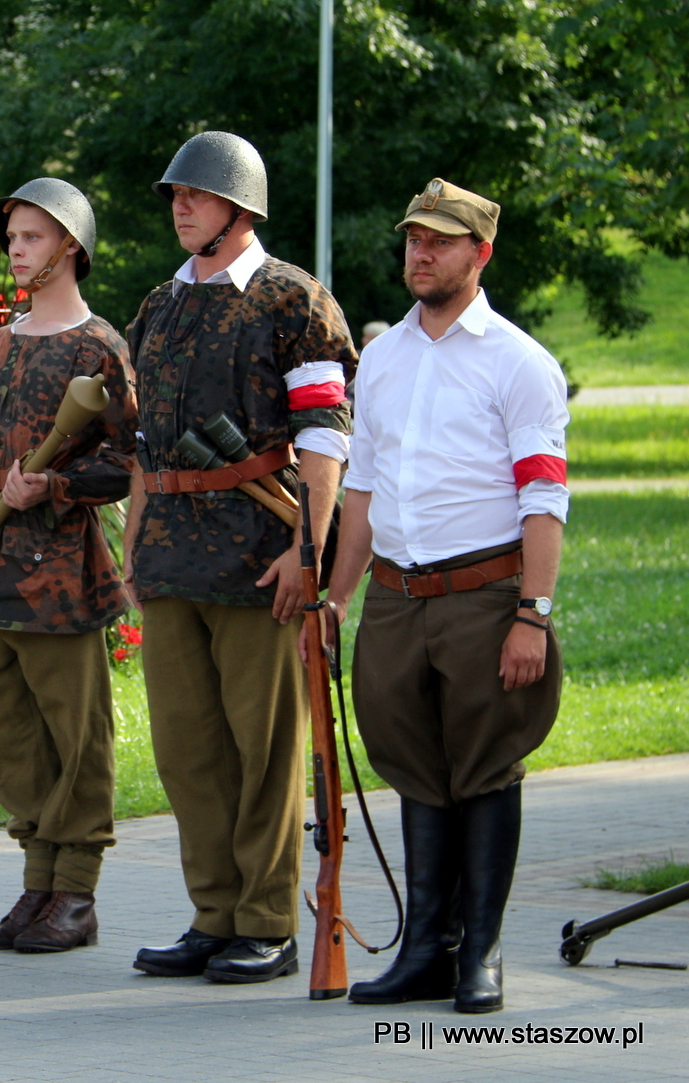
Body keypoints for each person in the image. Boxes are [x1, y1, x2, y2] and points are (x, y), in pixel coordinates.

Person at [325, 179, 567, 1014]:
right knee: (416, 765)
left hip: (485, 595)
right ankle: (427, 949)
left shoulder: (518, 362)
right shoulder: (384, 357)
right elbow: (362, 486)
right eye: (414, 239)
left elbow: (543, 499)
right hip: (396, 595)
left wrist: (532, 614)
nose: (420, 254)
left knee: (488, 763)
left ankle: (480, 953)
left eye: (439, 241)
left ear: (480, 253)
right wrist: (337, 597)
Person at [122, 131, 358, 984]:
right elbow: (145, 442)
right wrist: (133, 543)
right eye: (176, 195)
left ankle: (267, 922)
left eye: (197, 194)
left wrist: (309, 550)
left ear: (240, 207)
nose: (180, 207)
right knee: (188, 751)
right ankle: (213, 914)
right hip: (171, 558)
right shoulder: (160, 305)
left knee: (264, 752)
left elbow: (325, 435)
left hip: (261, 560)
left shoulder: (294, 300)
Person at [0, 178, 137, 953]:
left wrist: (57, 486)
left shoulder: (99, 348)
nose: (16, 249)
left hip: (59, 575)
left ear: (69, 246)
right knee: (10, 737)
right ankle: (38, 883)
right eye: (12, 237)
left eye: (32, 236)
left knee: (75, 737)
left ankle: (75, 892)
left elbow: (129, 461)